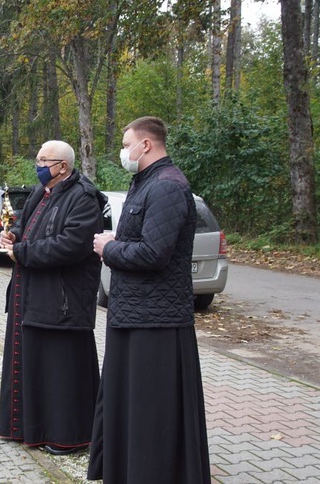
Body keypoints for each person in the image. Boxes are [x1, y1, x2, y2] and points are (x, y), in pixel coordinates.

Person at [88, 116, 210, 482]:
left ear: (146, 145)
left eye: (126, 145)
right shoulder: (146, 182)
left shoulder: (168, 187)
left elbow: (154, 254)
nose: (124, 151)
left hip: (155, 323)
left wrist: (109, 248)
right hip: (135, 315)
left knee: (150, 411)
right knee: (128, 406)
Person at [0, 140, 106, 455]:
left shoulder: (83, 198)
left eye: (45, 160)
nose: (39, 165)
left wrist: (22, 252)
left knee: (61, 373)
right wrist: (14, 235)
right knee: (31, 365)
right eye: (38, 159)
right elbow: (25, 224)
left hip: (63, 301)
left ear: (63, 166)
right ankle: (24, 428)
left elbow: (72, 244)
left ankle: (67, 437)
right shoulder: (39, 192)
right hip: (30, 295)